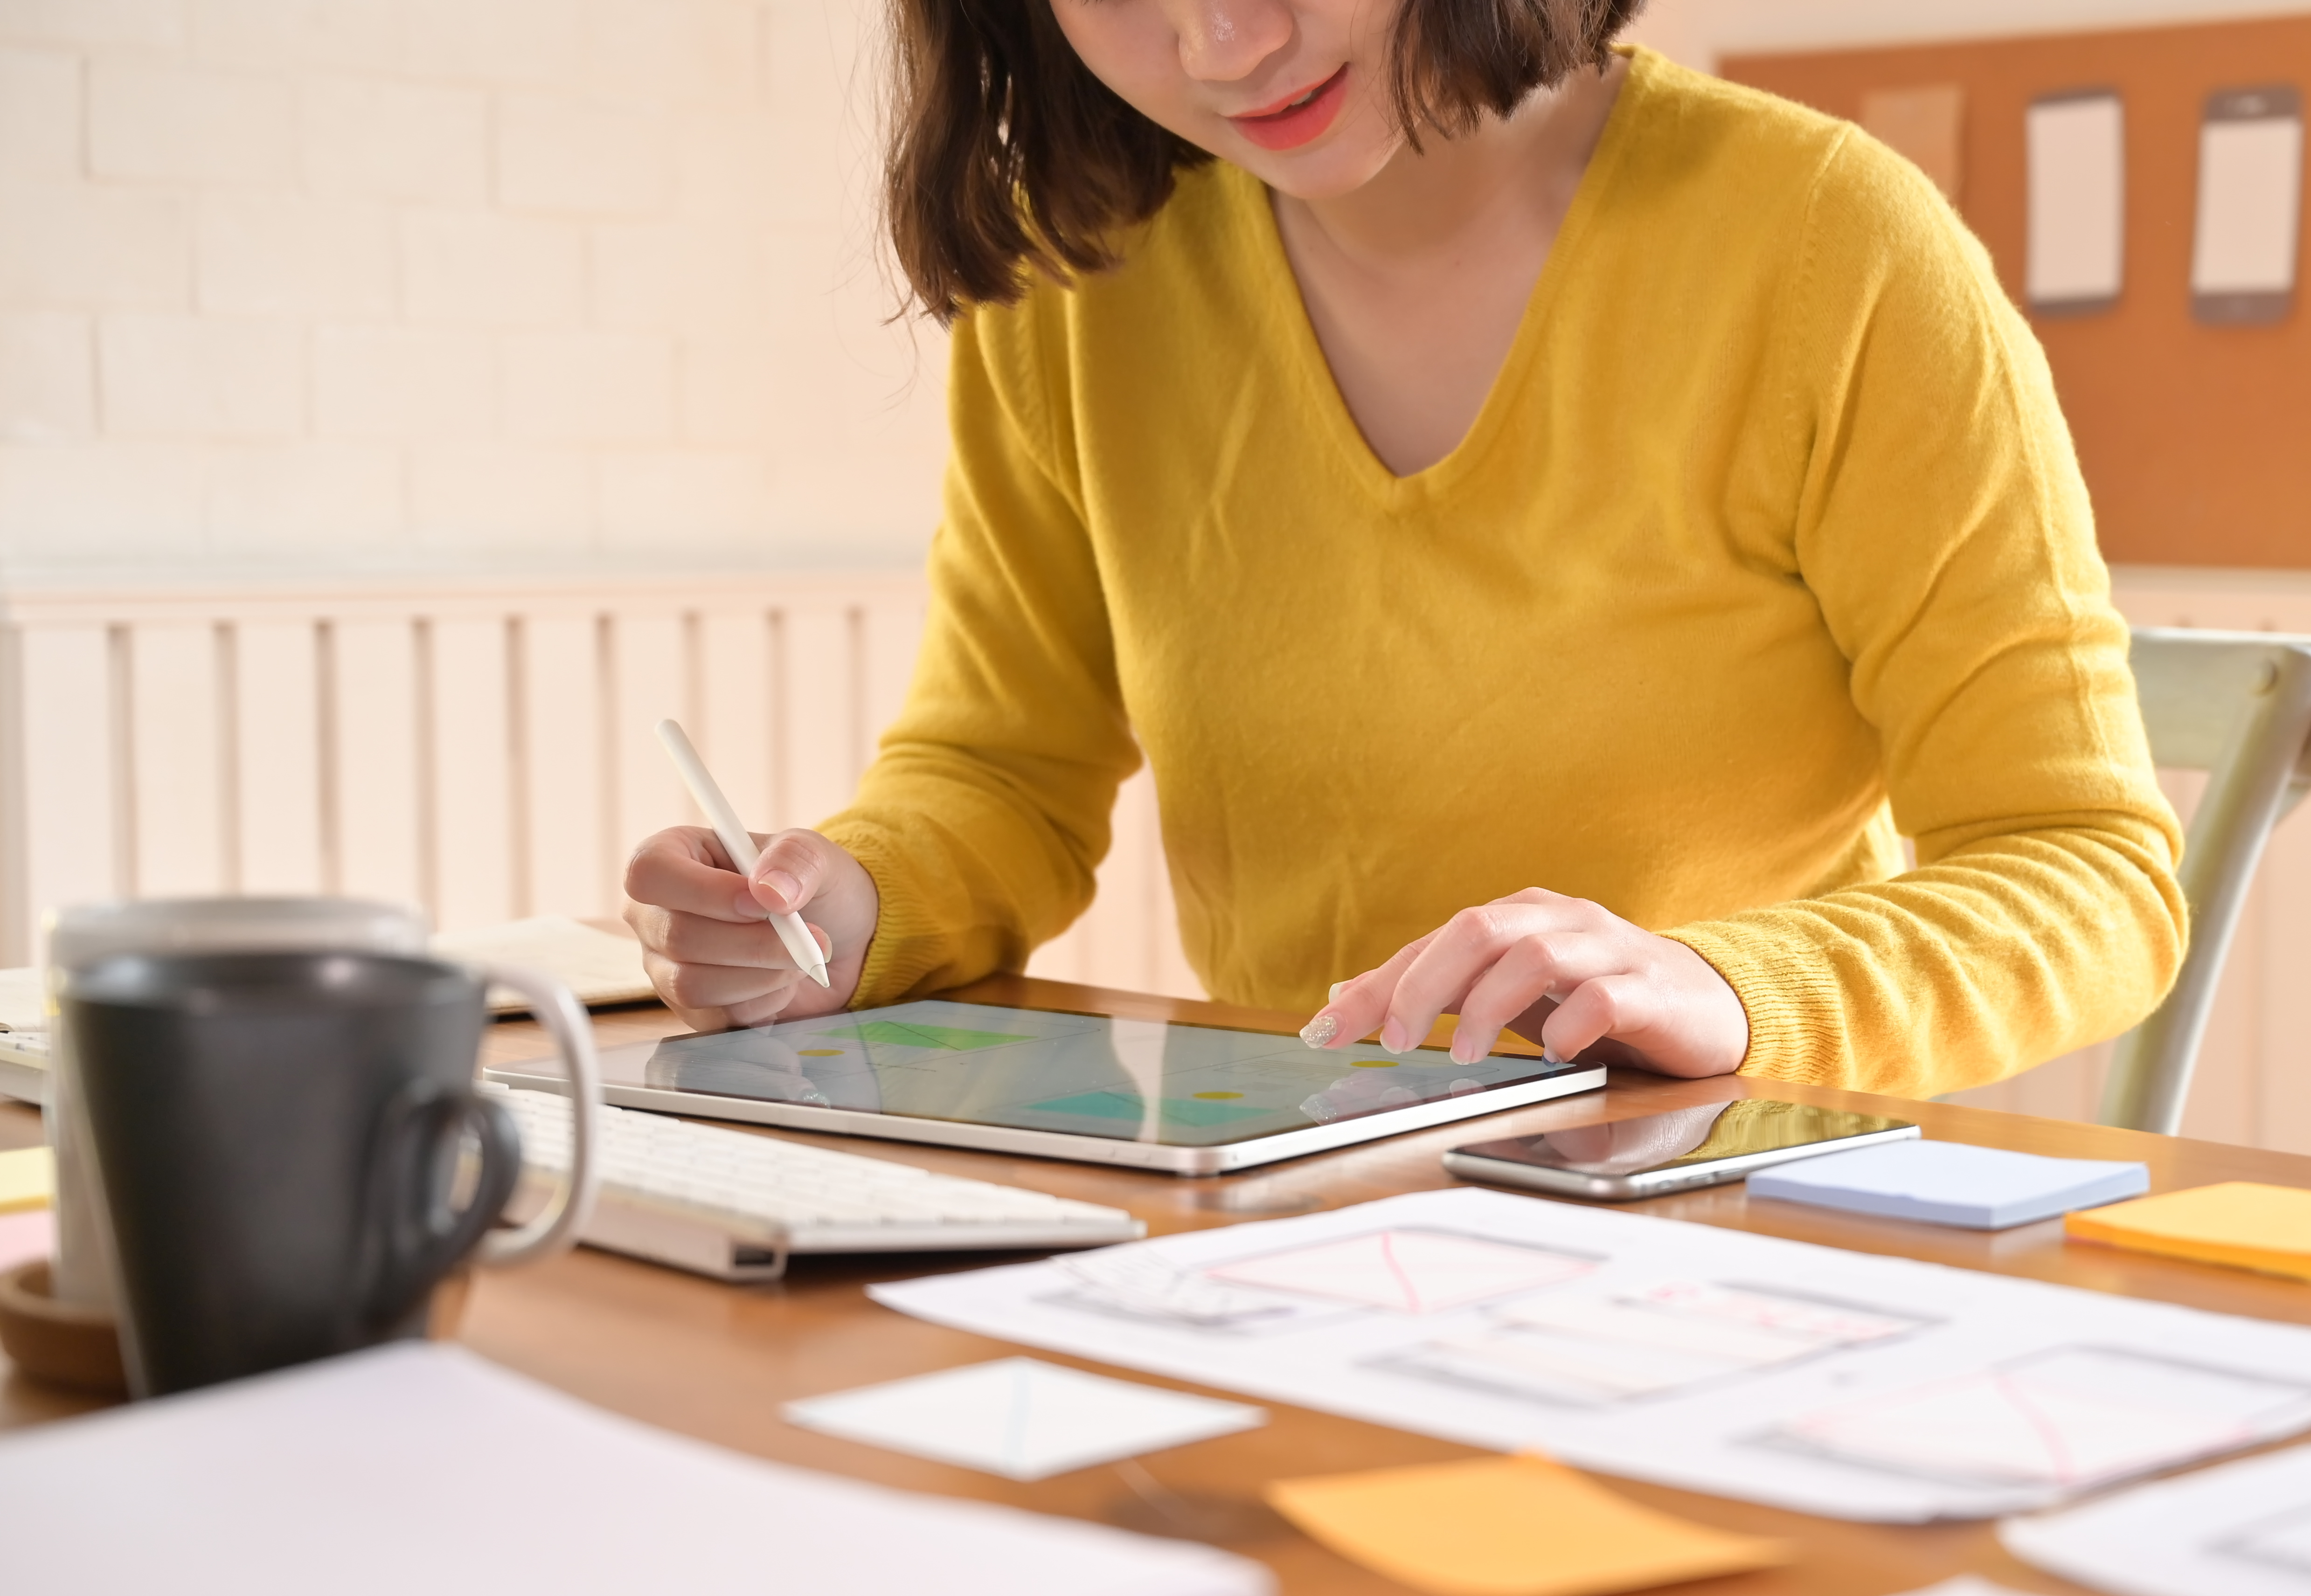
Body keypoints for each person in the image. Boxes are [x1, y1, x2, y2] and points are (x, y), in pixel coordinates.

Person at [624, 0, 2186, 1097]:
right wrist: (840, 913)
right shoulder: (1080, 283)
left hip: (1725, 1220)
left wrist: (1721, 986)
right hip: (1279, 1208)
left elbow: (2090, 873)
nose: (1221, 43)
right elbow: (1000, 774)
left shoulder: (1830, 246)